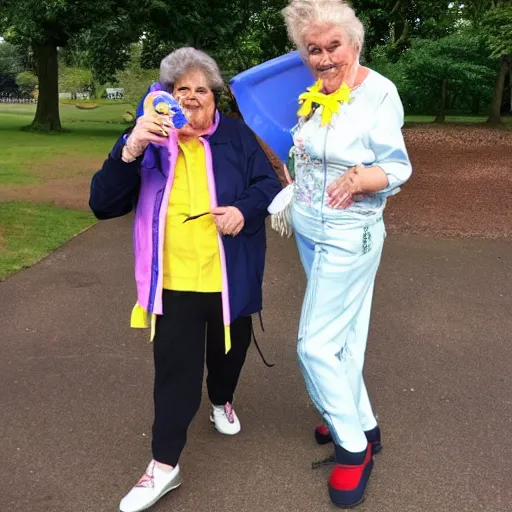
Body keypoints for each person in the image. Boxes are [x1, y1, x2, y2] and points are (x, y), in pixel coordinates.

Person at [89, 47, 281, 512]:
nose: (193, 99)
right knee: (175, 373)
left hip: (229, 276)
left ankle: (222, 400)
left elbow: (269, 184)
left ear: (215, 98)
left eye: (202, 91)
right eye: (182, 91)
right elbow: (103, 203)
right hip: (173, 280)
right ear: (166, 96)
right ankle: (164, 464)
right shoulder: (149, 139)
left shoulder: (237, 136)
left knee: (228, 356)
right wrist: (130, 148)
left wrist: (243, 210)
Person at [280, 0, 413, 507]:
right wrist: (299, 167)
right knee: (346, 337)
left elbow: (397, 169)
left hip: (349, 233)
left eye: (333, 46)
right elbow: (312, 148)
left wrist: (363, 178)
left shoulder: (378, 92)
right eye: (313, 49)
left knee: (314, 345)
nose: (323, 58)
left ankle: (354, 451)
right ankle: (362, 422)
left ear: (354, 44)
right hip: (311, 229)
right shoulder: (315, 94)